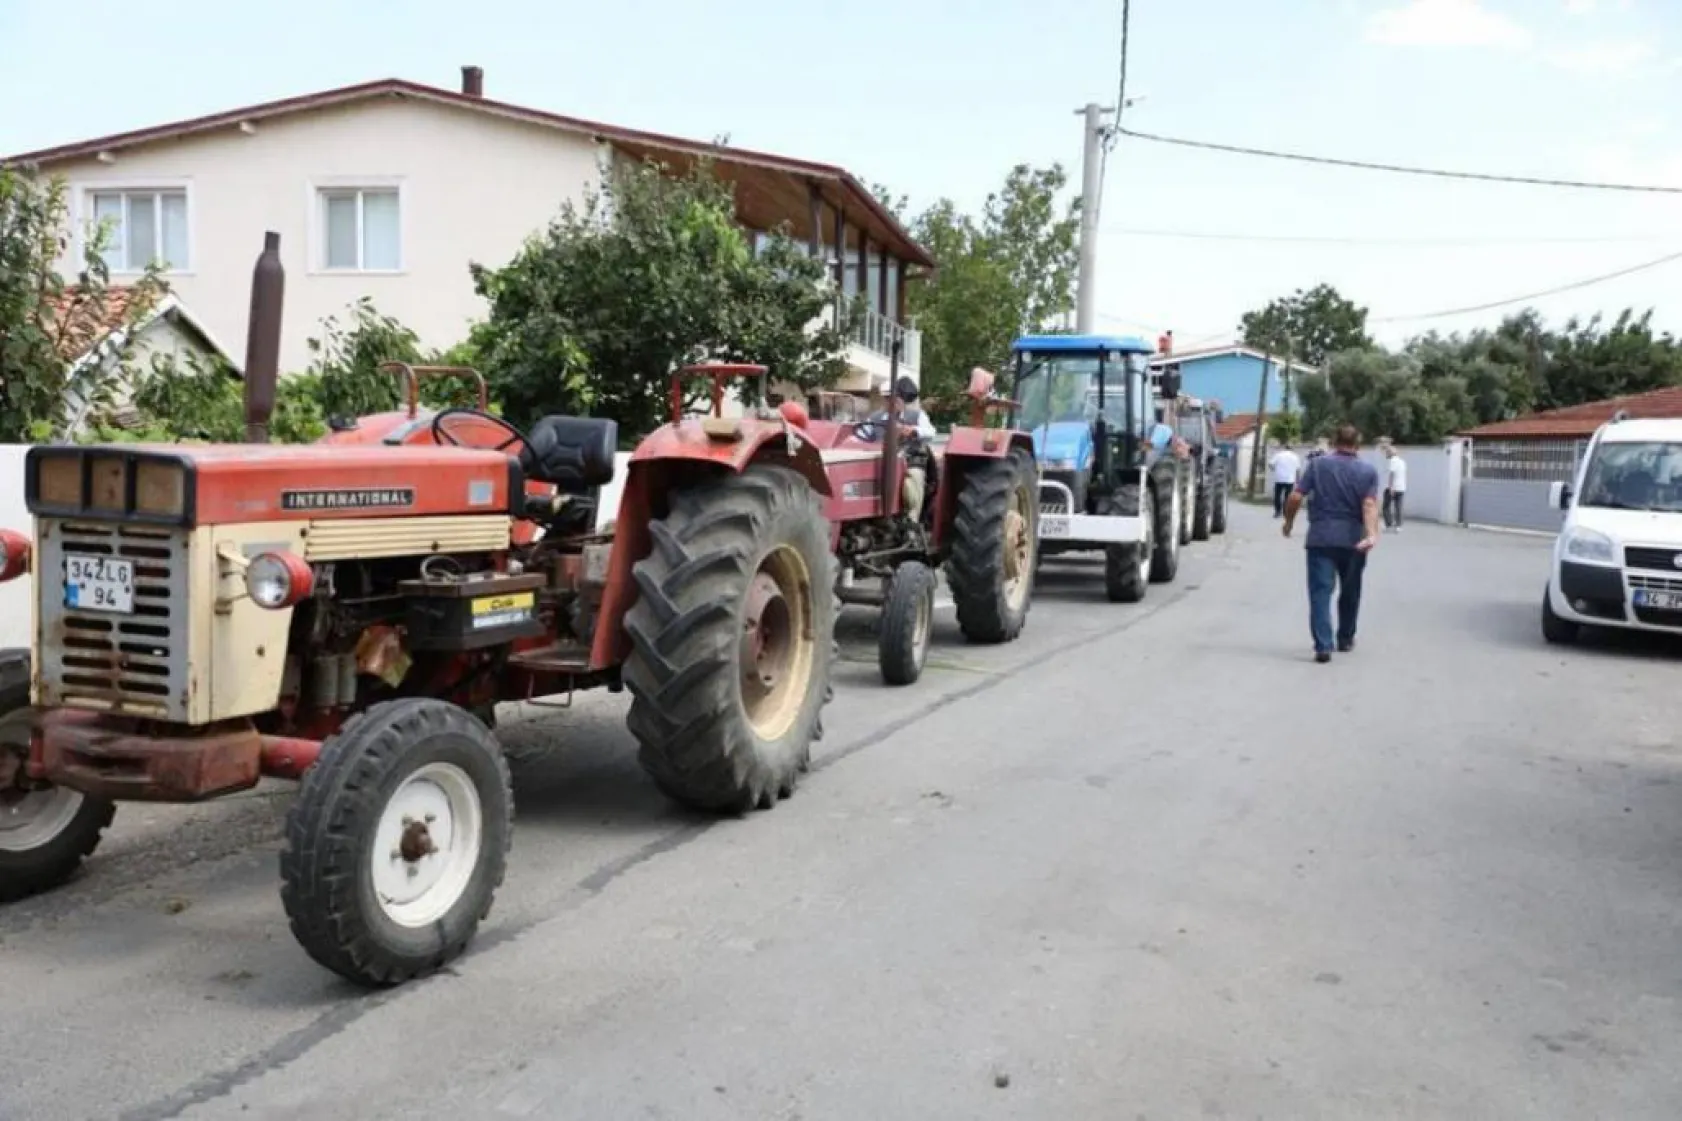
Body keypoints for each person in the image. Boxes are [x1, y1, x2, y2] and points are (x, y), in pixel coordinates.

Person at [1282, 424, 1380, 663]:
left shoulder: (1317, 465)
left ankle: (1323, 646)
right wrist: (1371, 534)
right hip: (1353, 540)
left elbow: (1296, 496)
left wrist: (1288, 523)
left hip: (1320, 538)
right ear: (1358, 444)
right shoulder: (1368, 471)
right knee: (1350, 590)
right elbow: (1368, 505)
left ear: (1335, 441)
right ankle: (1345, 638)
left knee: (1320, 592)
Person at [1268, 443, 1301, 518]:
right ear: (1291, 449)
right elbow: (1298, 469)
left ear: (1284, 448)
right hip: (1290, 480)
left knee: (1277, 495)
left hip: (1279, 478)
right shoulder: (1295, 456)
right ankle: (1285, 512)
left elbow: (1270, 464)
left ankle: (1277, 511)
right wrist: (1298, 480)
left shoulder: (1279, 455)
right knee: (1287, 497)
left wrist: (1274, 469)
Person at [1382, 443, 1408, 532]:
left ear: (1390, 453)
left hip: (1393, 487)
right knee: (1398, 507)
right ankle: (1399, 525)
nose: (1386, 454)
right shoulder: (1402, 461)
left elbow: (1391, 474)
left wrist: (1390, 487)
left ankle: (1389, 524)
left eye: (1387, 453)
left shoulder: (1392, 461)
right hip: (1402, 487)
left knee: (1385, 506)